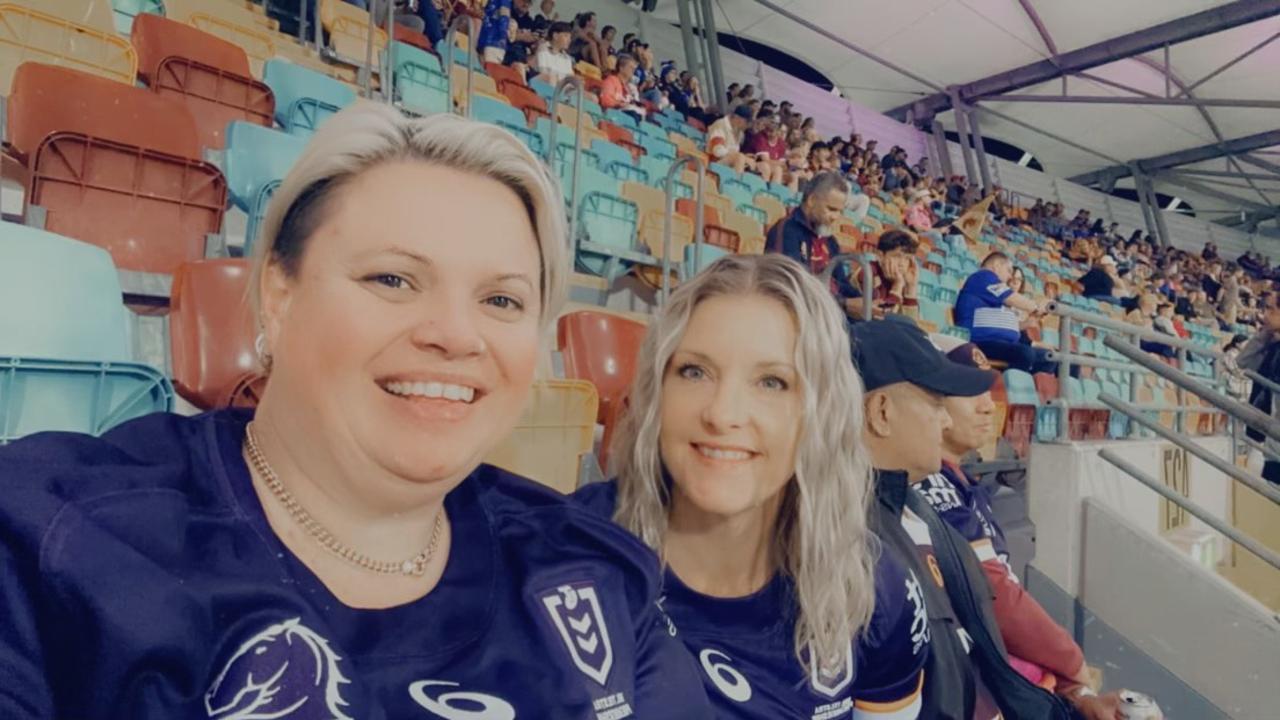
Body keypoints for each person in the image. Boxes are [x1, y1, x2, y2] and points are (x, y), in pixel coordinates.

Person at [0, 103, 714, 717]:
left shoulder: (591, 567)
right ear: (278, 297)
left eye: (501, 300)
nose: (456, 335)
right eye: (394, 279)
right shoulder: (49, 539)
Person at [573, 254, 928, 718]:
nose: (723, 414)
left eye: (772, 382)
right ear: (656, 390)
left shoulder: (873, 587)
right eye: (694, 371)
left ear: (820, 413)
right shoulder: (559, 555)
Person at [853, 319, 1081, 719]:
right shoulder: (853, 544)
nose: (944, 422)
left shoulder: (915, 516)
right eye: (938, 403)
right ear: (881, 412)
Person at [917, 343, 1134, 720]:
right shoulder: (931, 484)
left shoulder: (961, 481)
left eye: (989, 393)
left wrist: (1073, 685)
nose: (988, 406)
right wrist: (1071, 661)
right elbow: (990, 591)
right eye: (970, 395)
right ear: (933, 407)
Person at [764, 172, 865, 315]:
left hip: (833, 314)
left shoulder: (830, 241)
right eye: (831, 209)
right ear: (811, 200)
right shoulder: (787, 230)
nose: (835, 217)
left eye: (840, 212)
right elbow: (789, 286)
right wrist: (844, 304)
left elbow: (841, 283)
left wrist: (865, 301)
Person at [954, 253, 1056, 373]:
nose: (1009, 277)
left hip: (999, 342)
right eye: (1008, 271)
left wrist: (1033, 318)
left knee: (1049, 357)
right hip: (979, 340)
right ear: (996, 265)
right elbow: (1010, 297)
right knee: (1025, 353)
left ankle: (1028, 388)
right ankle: (1005, 387)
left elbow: (1008, 324)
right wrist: (1037, 307)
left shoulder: (989, 291)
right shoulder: (983, 277)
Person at [1239, 293, 1280, 485]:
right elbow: (1243, 361)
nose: (1264, 314)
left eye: (1270, 309)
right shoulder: (1271, 345)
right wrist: (1265, 333)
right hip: (1272, 441)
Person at [705, 104, 757, 174]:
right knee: (739, 157)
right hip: (713, 162)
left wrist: (745, 158)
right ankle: (736, 184)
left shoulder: (739, 132)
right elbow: (718, 151)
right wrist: (739, 156)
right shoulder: (721, 125)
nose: (747, 126)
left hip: (728, 164)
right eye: (746, 122)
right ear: (737, 118)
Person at [600, 52, 646, 122]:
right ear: (621, 68)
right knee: (633, 115)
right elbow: (605, 100)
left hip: (627, 115)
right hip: (612, 115)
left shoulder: (630, 88)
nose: (633, 70)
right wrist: (621, 104)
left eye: (634, 68)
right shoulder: (611, 81)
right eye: (630, 67)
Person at [531, 20, 574, 85]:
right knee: (551, 78)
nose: (569, 40)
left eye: (570, 37)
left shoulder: (567, 58)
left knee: (589, 95)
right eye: (566, 36)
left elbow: (570, 79)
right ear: (555, 36)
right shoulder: (543, 49)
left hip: (560, 89)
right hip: (542, 85)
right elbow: (543, 72)